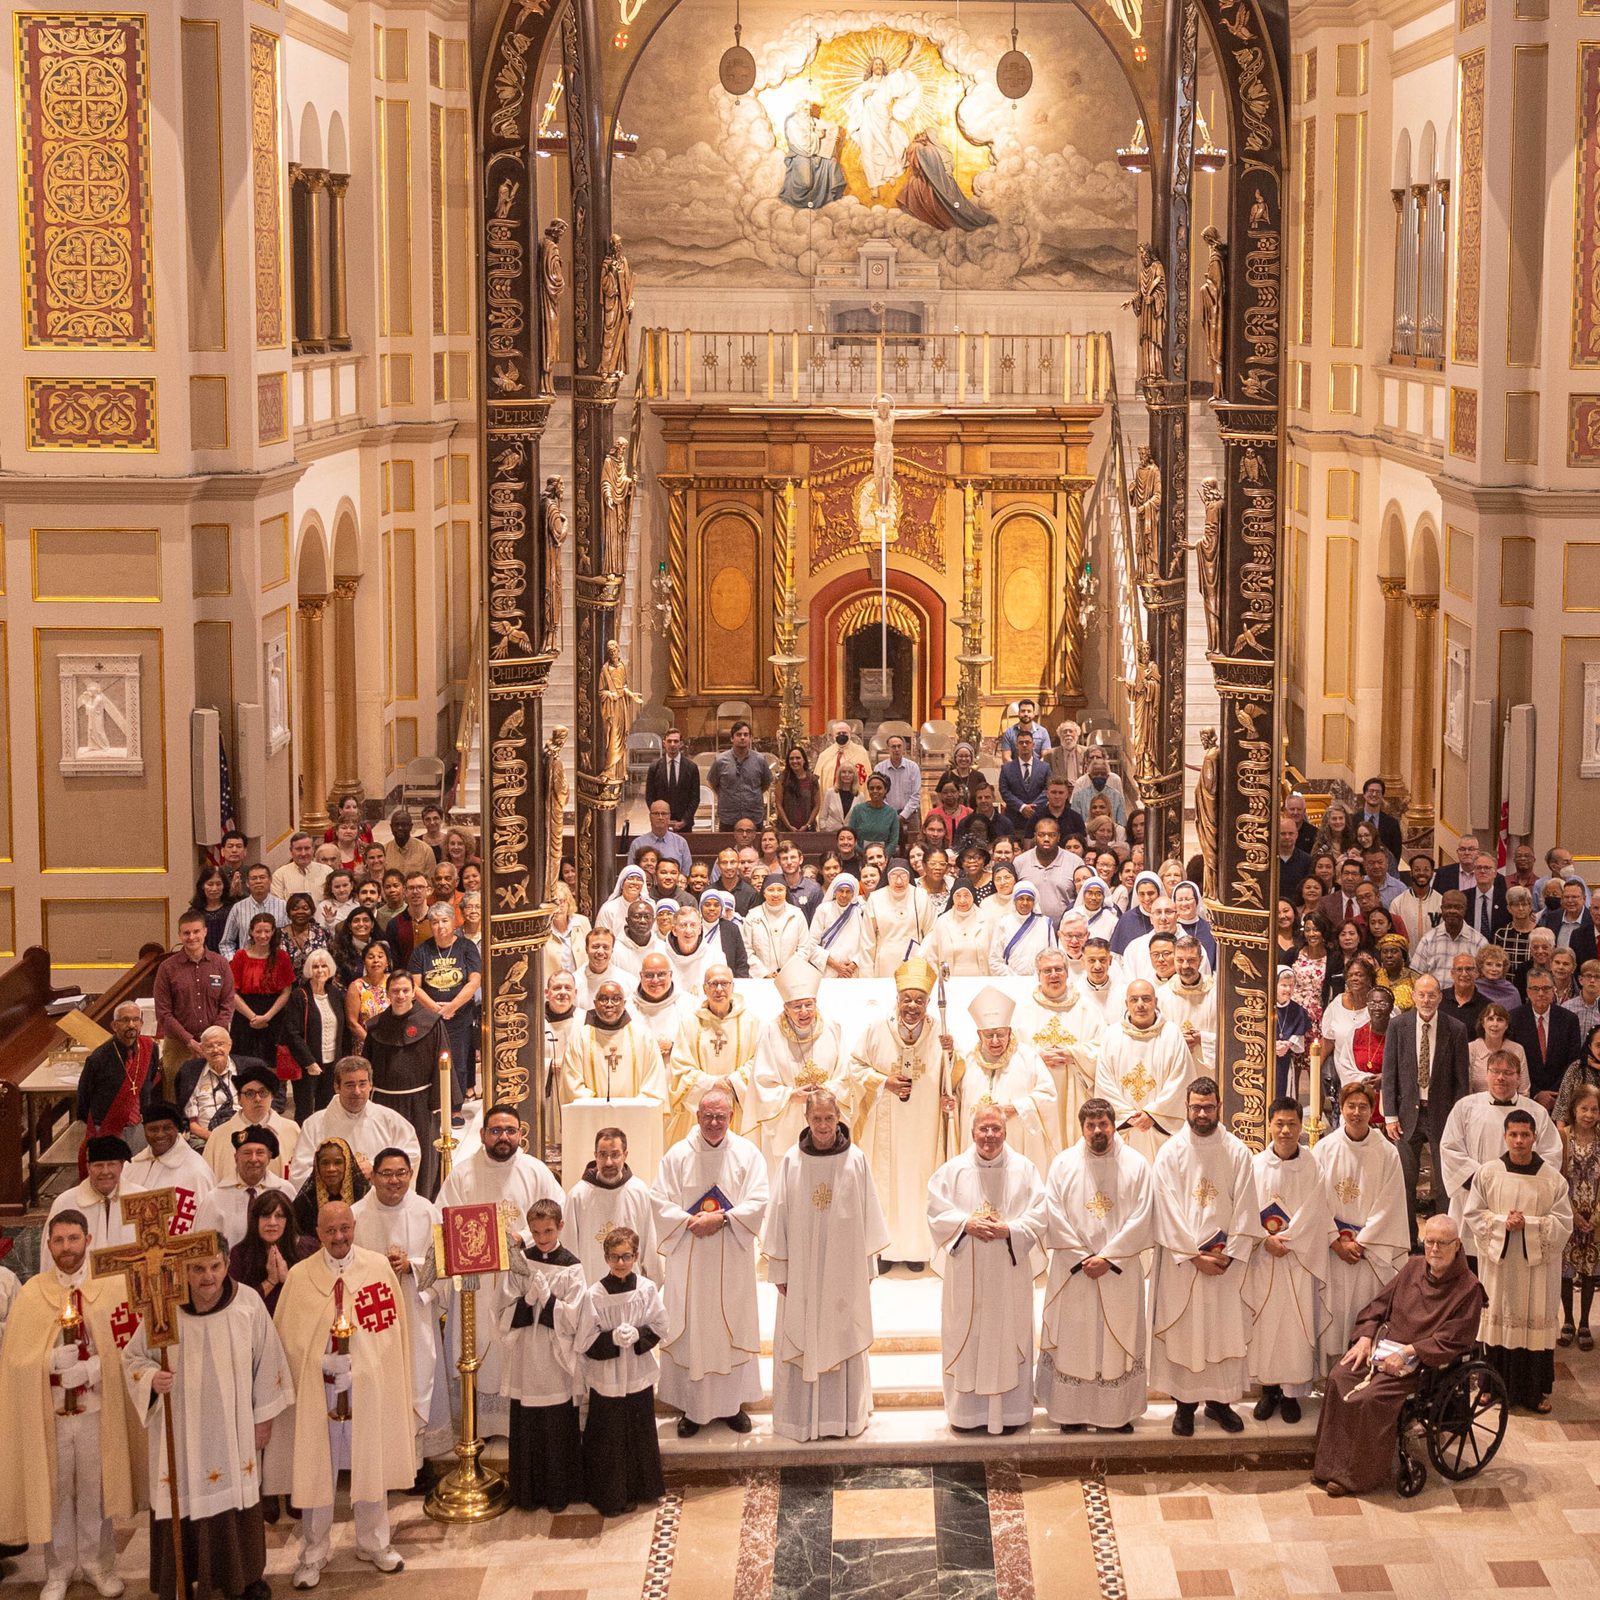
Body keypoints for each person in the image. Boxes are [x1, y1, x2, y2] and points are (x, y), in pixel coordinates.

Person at [122, 1243, 292, 1600]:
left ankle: (245, 1578)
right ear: (183, 1270)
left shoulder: (247, 1303)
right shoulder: (162, 1309)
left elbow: (268, 1361)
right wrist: (151, 1378)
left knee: (238, 1498)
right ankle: (180, 1579)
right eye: (198, 1269)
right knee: (181, 1493)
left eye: (215, 1266)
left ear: (227, 1264)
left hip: (234, 1430)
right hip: (180, 1432)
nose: (208, 1277)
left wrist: (263, 1419)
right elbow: (134, 1358)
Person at [264, 1203, 411, 1588]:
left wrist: (361, 1368)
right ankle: (313, 1552)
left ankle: (374, 1542)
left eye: (346, 1228)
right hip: (319, 1393)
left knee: (370, 1461)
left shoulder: (377, 1269)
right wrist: (321, 1362)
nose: (340, 1237)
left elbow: (389, 1335)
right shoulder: (300, 1276)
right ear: (318, 1230)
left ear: (354, 1226)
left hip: (364, 1389)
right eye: (331, 1231)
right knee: (315, 1469)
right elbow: (289, 1341)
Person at [0, 1210, 144, 1600]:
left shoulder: (111, 1287)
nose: (67, 1248)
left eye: (73, 1239)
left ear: (88, 1239)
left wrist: (97, 1366)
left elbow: (128, 1348)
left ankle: (99, 1564)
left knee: (95, 1489)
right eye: (59, 1240)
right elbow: (14, 1359)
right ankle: (59, 1569)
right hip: (52, 1415)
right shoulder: (33, 1294)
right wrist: (48, 1362)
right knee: (59, 1490)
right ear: (48, 1245)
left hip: (98, 1410)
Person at [1311, 1215, 1485, 1497]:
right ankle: (1328, 1465)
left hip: (1423, 1365)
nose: (1434, 1250)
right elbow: (1378, 1305)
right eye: (1429, 1242)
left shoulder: (1468, 1288)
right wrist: (1365, 1337)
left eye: (1442, 1243)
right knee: (1339, 1377)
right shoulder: (1413, 1267)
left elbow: (1455, 1337)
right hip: (1383, 1349)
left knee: (1370, 1398)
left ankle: (1355, 1476)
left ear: (1458, 1246)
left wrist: (1410, 1352)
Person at [764, 1089, 888, 1441]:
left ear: (838, 1118)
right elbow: (778, 1220)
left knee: (843, 1329)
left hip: (843, 1271)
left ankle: (845, 1417)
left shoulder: (856, 1160)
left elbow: (869, 1221)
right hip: (801, 1271)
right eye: (816, 1118)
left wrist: (866, 1269)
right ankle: (799, 1420)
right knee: (801, 1328)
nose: (822, 1125)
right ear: (806, 1119)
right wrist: (780, 1269)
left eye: (828, 1118)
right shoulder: (791, 1161)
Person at [1032, 1097, 1154, 1433]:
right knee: (1075, 1339)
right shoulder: (1063, 1164)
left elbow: (1143, 1215)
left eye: (1103, 1124)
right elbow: (1052, 1212)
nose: (1097, 1131)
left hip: (1117, 1270)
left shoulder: (1136, 1164)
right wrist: (1082, 1257)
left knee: (1116, 1342)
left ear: (1114, 1125)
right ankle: (1070, 1413)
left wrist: (1109, 1257)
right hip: (1076, 1271)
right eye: (1091, 1125)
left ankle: (1114, 1414)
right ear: (1082, 1127)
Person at [1147, 1078, 1262, 1435]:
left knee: (1222, 1332)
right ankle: (1184, 1405)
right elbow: (1163, 1207)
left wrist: (1231, 1253)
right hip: (1185, 1265)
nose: (1201, 1113)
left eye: (1208, 1107)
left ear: (1219, 1107)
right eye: (1196, 1106)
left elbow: (1247, 1206)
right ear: (1186, 1106)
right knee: (1187, 1333)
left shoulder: (1237, 1151)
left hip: (1225, 1265)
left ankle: (1220, 1403)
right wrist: (1192, 1255)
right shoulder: (1171, 1152)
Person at [652, 1088, 768, 1435]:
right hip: (690, 1255)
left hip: (732, 1255)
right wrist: (691, 1222)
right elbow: (658, 1200)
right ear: (697, 1116)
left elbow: (761, 1198)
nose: (714, 1123)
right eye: (708, 1116)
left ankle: (732, 1406)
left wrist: (723, 1220)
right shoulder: (677, 1155)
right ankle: (693, 1408)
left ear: (731, 1117)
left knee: (730, 1325)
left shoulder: (748, 1153)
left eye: (721, 1116)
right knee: (694, 1328)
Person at [927, 1103, 1044, 1435]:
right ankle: (967, 1414)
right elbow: (935, 1210)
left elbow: (1040, 1213)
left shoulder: (1025, 1169)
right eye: (984, 1129)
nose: (990, 1136)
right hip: (967, 1276)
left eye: (996, 1129)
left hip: (1008, 1272)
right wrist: (966, 1224)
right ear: (973, 1131)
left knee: (1008, 1334)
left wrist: (1012, 1230)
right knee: (968, 1333)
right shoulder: (952, 1171)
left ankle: (1010, 1414)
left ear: (1005, 1132)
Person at [1464, 1109, 1572, 1413]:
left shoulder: (1552, 1179)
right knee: (1498, 1320)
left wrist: (1530, 1226)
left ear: (1535, 1137)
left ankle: (1533, 1392)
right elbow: (1473, 1214)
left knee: (1534, 1325)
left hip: (1537, 1270)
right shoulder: (1488, 1173)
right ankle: (1490, 1386)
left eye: (1525, 1135)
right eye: (1514, 1134)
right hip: (1500, 1266)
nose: (1520, 1140)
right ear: (1505, 1136)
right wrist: (1501, 1223)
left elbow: (1564, 1223)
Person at [352, 1148, 451, 1478]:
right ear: (373, 1176)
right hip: (371, 1313)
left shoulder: (427, 1212)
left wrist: (413, 1266)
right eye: (386, 1174)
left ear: (410, 1175)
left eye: (400, 1173)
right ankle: (379, 1465)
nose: (394, 1181)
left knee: (418, 1377)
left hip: (413, 1308)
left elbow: (444, 1265)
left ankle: (415, 1464)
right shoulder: (357, 1214)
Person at [851, 957, 950, 1270]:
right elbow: (854, 1066)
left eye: (919, 1000)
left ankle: (917, 1249)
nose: (912, 1006)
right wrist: (884, 1082)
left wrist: (953, 1055)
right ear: (896, 1000)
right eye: (906, 999)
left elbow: (952, 1077)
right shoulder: (876, 1030)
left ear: (928, 1003)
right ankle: (884, 1249)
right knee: (884, 1184)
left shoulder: (940, 1034)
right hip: (886, 1125)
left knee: (920, 1183)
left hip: (924, 1126)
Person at [495, 1196, 585, 1511]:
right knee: (527, 1424)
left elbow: (576, 1317)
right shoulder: (520, 1262)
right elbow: (503, 1310)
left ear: (560, 1226)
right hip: (526, 1357)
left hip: (554, 1358)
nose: (543, 1239)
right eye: (537, 1232)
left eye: (548, 1231)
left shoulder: (572, 1266)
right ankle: (527, 1494)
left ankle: (559, 1493)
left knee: (556, 1424)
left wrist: (550, 1303)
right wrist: (526, 1301)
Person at [1247, 1098, 1333, 1424]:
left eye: (1292, 1124)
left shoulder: (1313, 1165)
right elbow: (1244, 1211)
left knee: (1296, 1326)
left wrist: (1290, 1238)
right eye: (1279, 1123)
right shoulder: (1254, 1166)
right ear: (1269, 1125)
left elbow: (1317, 1211)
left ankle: (1292, 1393)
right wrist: (1264, 1239)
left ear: (1300, 1126)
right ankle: (1269, 1390)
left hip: (1299, 1259)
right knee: (1267, 1326)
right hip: (1265, 1259)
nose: (1285, 1130)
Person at [573, 1227, 667, 1516]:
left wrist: (639, 1335)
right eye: (614, 1257)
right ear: (605, 1258)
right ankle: (610, 1495)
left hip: (636, 1374)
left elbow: (662, 1326)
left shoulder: (646, 1289)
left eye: (626, 1256)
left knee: (639, 1431)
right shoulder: (595, 1293)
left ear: (636, 1256)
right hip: (608, 1378)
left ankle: (644, 1488)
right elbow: (586, 1339)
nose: (621, 1263)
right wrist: (612, 1339)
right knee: (608, 1436)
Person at [1381, 973, 1470, 1239]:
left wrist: (1459, 1119)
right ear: (1414, 996)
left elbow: (1461, 1081)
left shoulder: (1455, 1029)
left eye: (1432, 994)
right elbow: (1389, 1073)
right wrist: (1390, 1115)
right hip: (1407, 1114)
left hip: (1442, 1114)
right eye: (1422, 994)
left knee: (1445, 1182)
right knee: (1405, 1181)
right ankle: (1408, 1239)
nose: (1427, 999)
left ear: (1441, 997)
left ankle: (1443, 1238)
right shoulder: (1398, 1026)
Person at [743, 956, 848, 1180]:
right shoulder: (771, 1032)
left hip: (824, 1119)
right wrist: (791, 1095)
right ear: (786, 1008)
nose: (803, 1012)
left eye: (808, 1004)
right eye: (796, 1006)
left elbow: (845, 1076)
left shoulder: (832, 1029)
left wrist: (826, 1092)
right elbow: (761, 1083)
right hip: (786, 1122)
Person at [1439, 1050, 1563, 1234]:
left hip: (1522, 1196)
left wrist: (1517, 1183)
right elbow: (1450, 1149)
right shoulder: (1465, 1107)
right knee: (1473, 1254)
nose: (1500, 1078)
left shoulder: (1536, 1112)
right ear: (1486, 1074)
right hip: (1475, 1193)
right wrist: (1484, 1182)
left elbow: (1551, 1155)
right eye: (1495, 1071)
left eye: (1507, 1073)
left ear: (1519, 1078)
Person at [952, 985, 1058, 1179]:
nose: (994, 1041)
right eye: (988, 1035)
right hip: (977, 1144)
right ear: (979, 1034)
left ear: (1009, 1032)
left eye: (1000, 1034)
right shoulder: (968, 1062)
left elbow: (1048, 1095)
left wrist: (1016, 1108)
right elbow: (956, 1101)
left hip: (1017, 1141)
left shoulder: (1028, 1058)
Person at [361, 972, 447, 1196]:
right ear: (387, 994)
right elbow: (366, 1066)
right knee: (386, 1151)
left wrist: (438, 1102)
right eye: (395, 991)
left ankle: (423, 1197)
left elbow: (443, 1060)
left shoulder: (431, 1023)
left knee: (422, 1153)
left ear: (414, 993)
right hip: (385, 1101)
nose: (400, 995)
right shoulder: (376, 1026)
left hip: (420, 1102)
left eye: (405, 990)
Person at [1094, 980, 1193, 1164]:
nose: (1140, 1004)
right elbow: (1104, 1082)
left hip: (1160, 1130)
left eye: (1146, 999)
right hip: (1125, 1128)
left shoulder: (1172, 1034)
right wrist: (1128, 1116)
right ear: (1126, 1004)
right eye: (1134, 999)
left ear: (1155, 1002)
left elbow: (1181, 1079)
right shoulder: (1112, 1035)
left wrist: (1152, 1114)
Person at [288, 1057, 418, 1187]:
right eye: (350, 1085)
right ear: (337, 1087)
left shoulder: (391, 1121)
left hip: (381, 1203)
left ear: (370, 1085)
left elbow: (411, 1156)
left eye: (362, 1084)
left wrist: (376, 1170)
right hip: (334, 1203)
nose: (357, 1091)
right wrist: (342, 1175)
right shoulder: (314, 1125)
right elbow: (300, 1173)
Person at [154, 912, 237, 1100]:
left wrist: (211, 1039)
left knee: (215, 1095)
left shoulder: (221, 964)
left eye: (196, 931)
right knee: (176, 1096)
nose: (191, 937)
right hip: (178, 1044)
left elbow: (227, 1005)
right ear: (179, 935)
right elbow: (164, 1013)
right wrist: (189, 1041)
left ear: (205, 932)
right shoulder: (167, 968)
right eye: (186, 933)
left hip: (215, 1044)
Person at [407, 903, 481, 1107]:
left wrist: (452, 1007)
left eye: (444, 921)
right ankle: (435, 1106)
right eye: (435, 922)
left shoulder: (467, 947)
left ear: (454, 922)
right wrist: (435, 1009)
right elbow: (415, 986)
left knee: (458, 1063)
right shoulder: (421, 951)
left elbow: (474, 981)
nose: (440, 926)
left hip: (460, 1017)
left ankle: (456, 1108)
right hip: (430, 1020)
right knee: (431, 1063)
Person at [564, 1127, 658, 1285]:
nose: (608, 1162)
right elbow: (569, 1247)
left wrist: (651, 1286)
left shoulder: (639, 1191)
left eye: (615, 1155)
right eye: (602, 1155)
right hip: (591, 1289)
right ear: (595, 1156)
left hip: (632, 1292)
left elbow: (650, 1246)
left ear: (625, 1155)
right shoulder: (577, 1195)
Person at [75, 1002, 158, 1170]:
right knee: (112, 1174)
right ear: (114, 1025)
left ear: (142, 1023)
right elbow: (83, 1099)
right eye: (125, 1020)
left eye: (136, 1020)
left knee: (140, 1171)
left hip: (139, 1126)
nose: (131, 1025)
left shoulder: (150, 1048)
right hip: (109, 1128)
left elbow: (150, 1079)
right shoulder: (98, 1058)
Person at [197, 1126, 296, 1250]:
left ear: (269, 1157)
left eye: (260, 1153)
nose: (253, 1159)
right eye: (247, 1153)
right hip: (232, 1267)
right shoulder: (215, 1198)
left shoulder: (285, 1191)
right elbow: (203, 1246)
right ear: (236, 1157)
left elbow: (295, 1237)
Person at [48, 1135, 146, 1250]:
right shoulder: (65, 1203)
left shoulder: (141, 1198)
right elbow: (51, 1254)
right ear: (88, 1167)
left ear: (122, 1166)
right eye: (98, 1165)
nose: (105, 1171)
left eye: (111, 1164)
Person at [126, 1101, 214, 1231]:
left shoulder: (197, 1171)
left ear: (176, 1129)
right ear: (144, 1131)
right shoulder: (132, 1166)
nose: (160, 1134)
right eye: (153, 1129)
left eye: (167, 1128)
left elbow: (208, 1222)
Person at [227, 1191, 311, 1318]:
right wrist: (270, 1282)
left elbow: (314, 1303)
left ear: (288, 1221)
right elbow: (237, 1305)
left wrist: (288, 1279)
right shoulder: (239, 1254)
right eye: (266, 1216)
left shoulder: (308, 1249)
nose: (272, 1222)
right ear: (256, 1221)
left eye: (279, 1216)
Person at [1561, 1081, 1600, 1348]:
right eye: (1584, 1108)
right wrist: (1571, 1212)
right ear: (1574, 1109)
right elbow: (1557, 1177)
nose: (1589, 1114)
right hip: (1568, 1213)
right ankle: (1568, 1320)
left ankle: (1585, 1322)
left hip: (1596, 1218)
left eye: (1595, 1110)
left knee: (1590, 1271)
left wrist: (1595, 1215)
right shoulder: (1563, 1137)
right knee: (1565, 1270)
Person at [1510, 969, 1584, 1111]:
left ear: (1553, 990)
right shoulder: (1514, 1019)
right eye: (1535, 989)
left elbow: (1573, 1061)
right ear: (1527, 991)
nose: (1541, 993)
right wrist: (1537, 1093)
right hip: (1526, 1097)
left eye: (1546, 988)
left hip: (1560, 1098)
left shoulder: (1569, 1019)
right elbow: (1513, 1062)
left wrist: (1555, 1093)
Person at [227, 913, 295, 1067]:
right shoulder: (240, 956)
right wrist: (253, 1017)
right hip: (245, 1016)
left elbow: (286, 992)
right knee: (243, 1066)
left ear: (273, 932)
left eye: (267, 931)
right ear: (251, 932)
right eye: (258, 931)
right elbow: (232, 993)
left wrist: (267, 1017)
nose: (263, 936)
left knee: (273, 1067)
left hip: (274, 1016)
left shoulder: (281, 957)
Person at [858, 857, 934, 977]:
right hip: (885, 962)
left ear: (909, 876)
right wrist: (866, 974)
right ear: (887, 876)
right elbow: (868, 940)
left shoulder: (921, 896)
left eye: (903, 875)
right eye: (894, 876)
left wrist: (921, 954)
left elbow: (932, 931)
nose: (899, 881)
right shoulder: (876, 898)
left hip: (916, 959)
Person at [707, 720, 770, 830]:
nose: (742, 738)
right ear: (732, 738)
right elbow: (712, 782)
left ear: (750, 738)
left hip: (753, 815)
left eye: (746, 735)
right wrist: (725, 795)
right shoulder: (720, 760)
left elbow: (766, 783)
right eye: (738, 734)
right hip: (729, 816)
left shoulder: (760, 760)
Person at [743, 872, 808, 978]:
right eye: (771, 890)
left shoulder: (797, 914)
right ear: (764, 893)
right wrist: (764, 973)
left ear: (786, 892)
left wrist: (787, 972)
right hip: (761, 978)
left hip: (791, 977)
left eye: (780, 889)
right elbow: (746, 950)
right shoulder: (752, 916)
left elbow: (804, 948)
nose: (776, 894)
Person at [218, 867, 287, 962]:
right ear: (247, 883)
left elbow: (289, 938)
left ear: (270, 880)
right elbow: (226, 943)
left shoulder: (283, 906)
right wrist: (234, 962)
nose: (258, 881)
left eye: (262, 877)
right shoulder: (238, 908)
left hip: (276, 963)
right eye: (254, 878)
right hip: (246, 965)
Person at [645, 728, 699, 832]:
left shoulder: (691, 767)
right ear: (664, 743)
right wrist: (660, 817)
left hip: (684, 824)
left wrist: (684, 820)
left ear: (681, 744)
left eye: (676, 741)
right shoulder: (654, 768)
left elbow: (695, 798)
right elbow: (649, 797)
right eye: (669, 741)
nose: (672, 744)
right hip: (661, 823)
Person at [998, 730, 1049, 837]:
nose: (1024, 745)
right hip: (1014, 820)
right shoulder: (1007, 768)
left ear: (1033, 745)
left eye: (1027, 742)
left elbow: (1048, 789)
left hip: (1038, 818)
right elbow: (1004, 791)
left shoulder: (1044, 767)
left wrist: (1033, 807)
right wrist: (1022, 807)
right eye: (1021, 743)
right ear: (1016, 745)